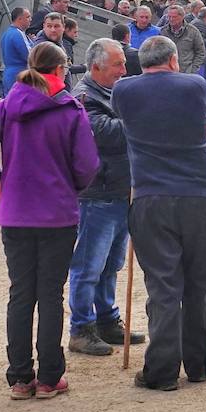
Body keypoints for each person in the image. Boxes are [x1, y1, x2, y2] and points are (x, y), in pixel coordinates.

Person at [0, 41, 100, 400]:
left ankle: (20, 377)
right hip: (57, 214)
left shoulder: (6, 106)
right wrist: (70, 187)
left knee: (21, 294)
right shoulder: (70, 110)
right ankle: (50, 377)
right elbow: (87, 165)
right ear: (60, 70)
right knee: (51, 295)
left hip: (17, 213)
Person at [111, 36, 206, 391]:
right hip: (200, 195)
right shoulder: (195, 85)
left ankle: (161, 371)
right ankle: (200, 365)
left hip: (151, 195)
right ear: (174, 60)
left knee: (163, 286)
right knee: (201, 283)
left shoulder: (123, 90)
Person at [67, 39, 147, 358]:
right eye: (118, 64)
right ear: (96, 66)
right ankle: (81, 328)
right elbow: (104, 133)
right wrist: (143, 118)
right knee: (89, 265)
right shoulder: (83, 98)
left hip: (119, 190)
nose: (124, 70)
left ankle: (106, 319)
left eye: (123, 63)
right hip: (97, 194)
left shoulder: (112, 92)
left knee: (111, 264)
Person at [160, 4, 206, 75]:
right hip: (168, 73)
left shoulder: (193, 31)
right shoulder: (163, 32)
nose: (171, 19)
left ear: (182, 16)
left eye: (174, 17)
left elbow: (201, 52)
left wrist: (193, 69)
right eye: (169, 17)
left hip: (187, 73)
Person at [0, 7, 32, 94]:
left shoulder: (6, 33)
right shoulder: (18, 34)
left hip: (8, 74)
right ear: (19, 19)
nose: (30, 19)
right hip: (19, 74)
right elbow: (30, 56)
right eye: (28, 17)